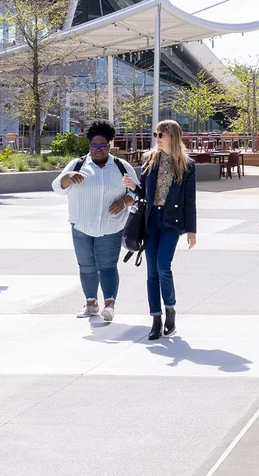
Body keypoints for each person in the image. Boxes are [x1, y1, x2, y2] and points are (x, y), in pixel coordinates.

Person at [52, 121, 138, 322]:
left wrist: (124, 201)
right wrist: (68, 177)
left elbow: (136, 190)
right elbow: (57, 187)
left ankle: (109, 305)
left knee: (107, 266)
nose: (98, 150)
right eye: (94, 146)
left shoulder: (120, 166)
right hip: (81, 225)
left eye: (102, 146)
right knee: (86, 266)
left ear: (109, 146)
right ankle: (91, 303)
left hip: (111, 225)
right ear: (89, 146)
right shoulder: (78, 165)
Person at [130, 119, 197, 341]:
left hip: (171, 222)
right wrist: (133, 186)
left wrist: (191, 230)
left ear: (173, 137)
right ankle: (156, 318)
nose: (157, 138)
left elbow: (189, 200)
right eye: (156, 134)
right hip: (151, 221)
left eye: (161, 135)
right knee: (151, 272)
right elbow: (143, 191)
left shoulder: (186, 164)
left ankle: (170, 308)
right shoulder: (149, 159)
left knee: (162, 266)